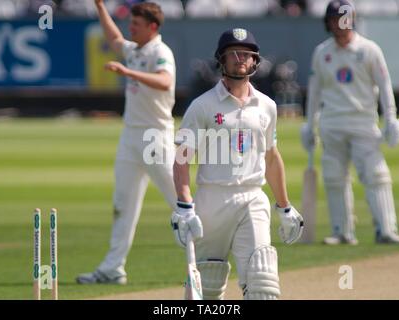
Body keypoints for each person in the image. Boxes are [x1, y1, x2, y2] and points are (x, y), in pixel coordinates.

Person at [171, 28, 304, 300]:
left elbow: (271, 157)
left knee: (262, 283)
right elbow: (181, 159)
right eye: (232, 53)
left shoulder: (266, 106)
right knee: (205, 288)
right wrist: (184, 206)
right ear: (221, 59)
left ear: (255, 61)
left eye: (246, 53)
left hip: (253, 198)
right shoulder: (202, 106)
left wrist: (285, 206)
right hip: (212, 199)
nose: (240, 58)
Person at [77, 0, 177, 284]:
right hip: (130, 137)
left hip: (155, 136)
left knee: (181, 204)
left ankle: (209, 256)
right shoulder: (134, 49)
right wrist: (99, 7)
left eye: (136, 24)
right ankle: (112, 268)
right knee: (123, 204)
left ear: (153, 27)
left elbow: (165, 82)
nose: (130, 27)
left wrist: (127, 73)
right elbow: (114, 37)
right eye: (131, 22)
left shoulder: (160, 51)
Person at [301, 0, 399, 245]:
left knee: (376, 175)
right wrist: (309, 124)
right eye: (334, 19)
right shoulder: (322, 52)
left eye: (344, 18)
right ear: (327, 22)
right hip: (332, 124)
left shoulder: (369, 50)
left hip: (363, 123)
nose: (340, 23)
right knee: (334, 178)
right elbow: (315, 92)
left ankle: (386, 229)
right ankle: (342, 231)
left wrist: (390, 117)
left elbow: (384, 86)